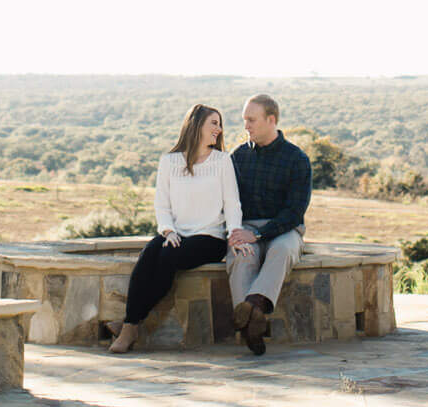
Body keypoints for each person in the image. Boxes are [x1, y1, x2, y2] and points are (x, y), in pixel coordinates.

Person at [109, 103, 244, 353]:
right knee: (150, 254)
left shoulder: (223, 161)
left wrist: (234, 234)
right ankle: (131, 325)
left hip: (210, 237)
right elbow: (162, 204)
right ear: (196, 125)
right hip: (177, 233)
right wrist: (168, 230)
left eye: (220, 123)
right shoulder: (169, 162)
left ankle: (128, 327)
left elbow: (232, 203)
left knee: (168, 256)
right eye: (213, 123)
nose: (219, 128)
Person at [226, 93, 311, 355]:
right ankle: (253, 325)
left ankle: (250, 309)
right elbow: (228, 203)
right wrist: (236, 233)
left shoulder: (296, 159)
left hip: (284, 229)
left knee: (282, 251)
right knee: (241, 256)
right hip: (247, 226)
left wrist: (262, 233)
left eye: (251, 120)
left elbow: (295, 212)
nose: (246, 126)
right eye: (244, 120)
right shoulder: (237, 157)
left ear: (271, 120)